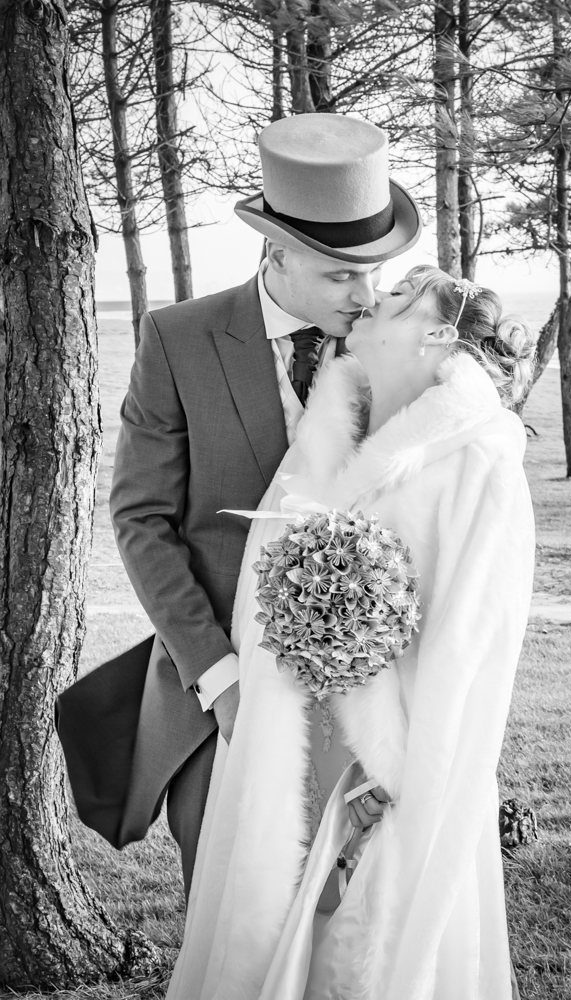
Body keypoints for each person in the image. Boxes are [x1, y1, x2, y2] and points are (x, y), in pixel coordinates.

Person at [165, 265, 536, 999]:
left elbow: (472, 640)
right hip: (286, 735)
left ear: (436, 332)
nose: (371, 298)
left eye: (397, 296)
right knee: (263, 925)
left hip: (386, 753)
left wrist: (400, 772)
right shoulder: (327, 430)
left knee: (354, 950)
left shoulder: (479, 455)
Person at [93, 113, 421, 895]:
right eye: (342, 273)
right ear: (277, 254)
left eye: (373, 270)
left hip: (371, 695)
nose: (365, 293)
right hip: (222, 699)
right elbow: (141, 520)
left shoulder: (393, 349)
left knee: (359, 917)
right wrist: (221, 680)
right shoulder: (177, 338)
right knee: (237, 909)